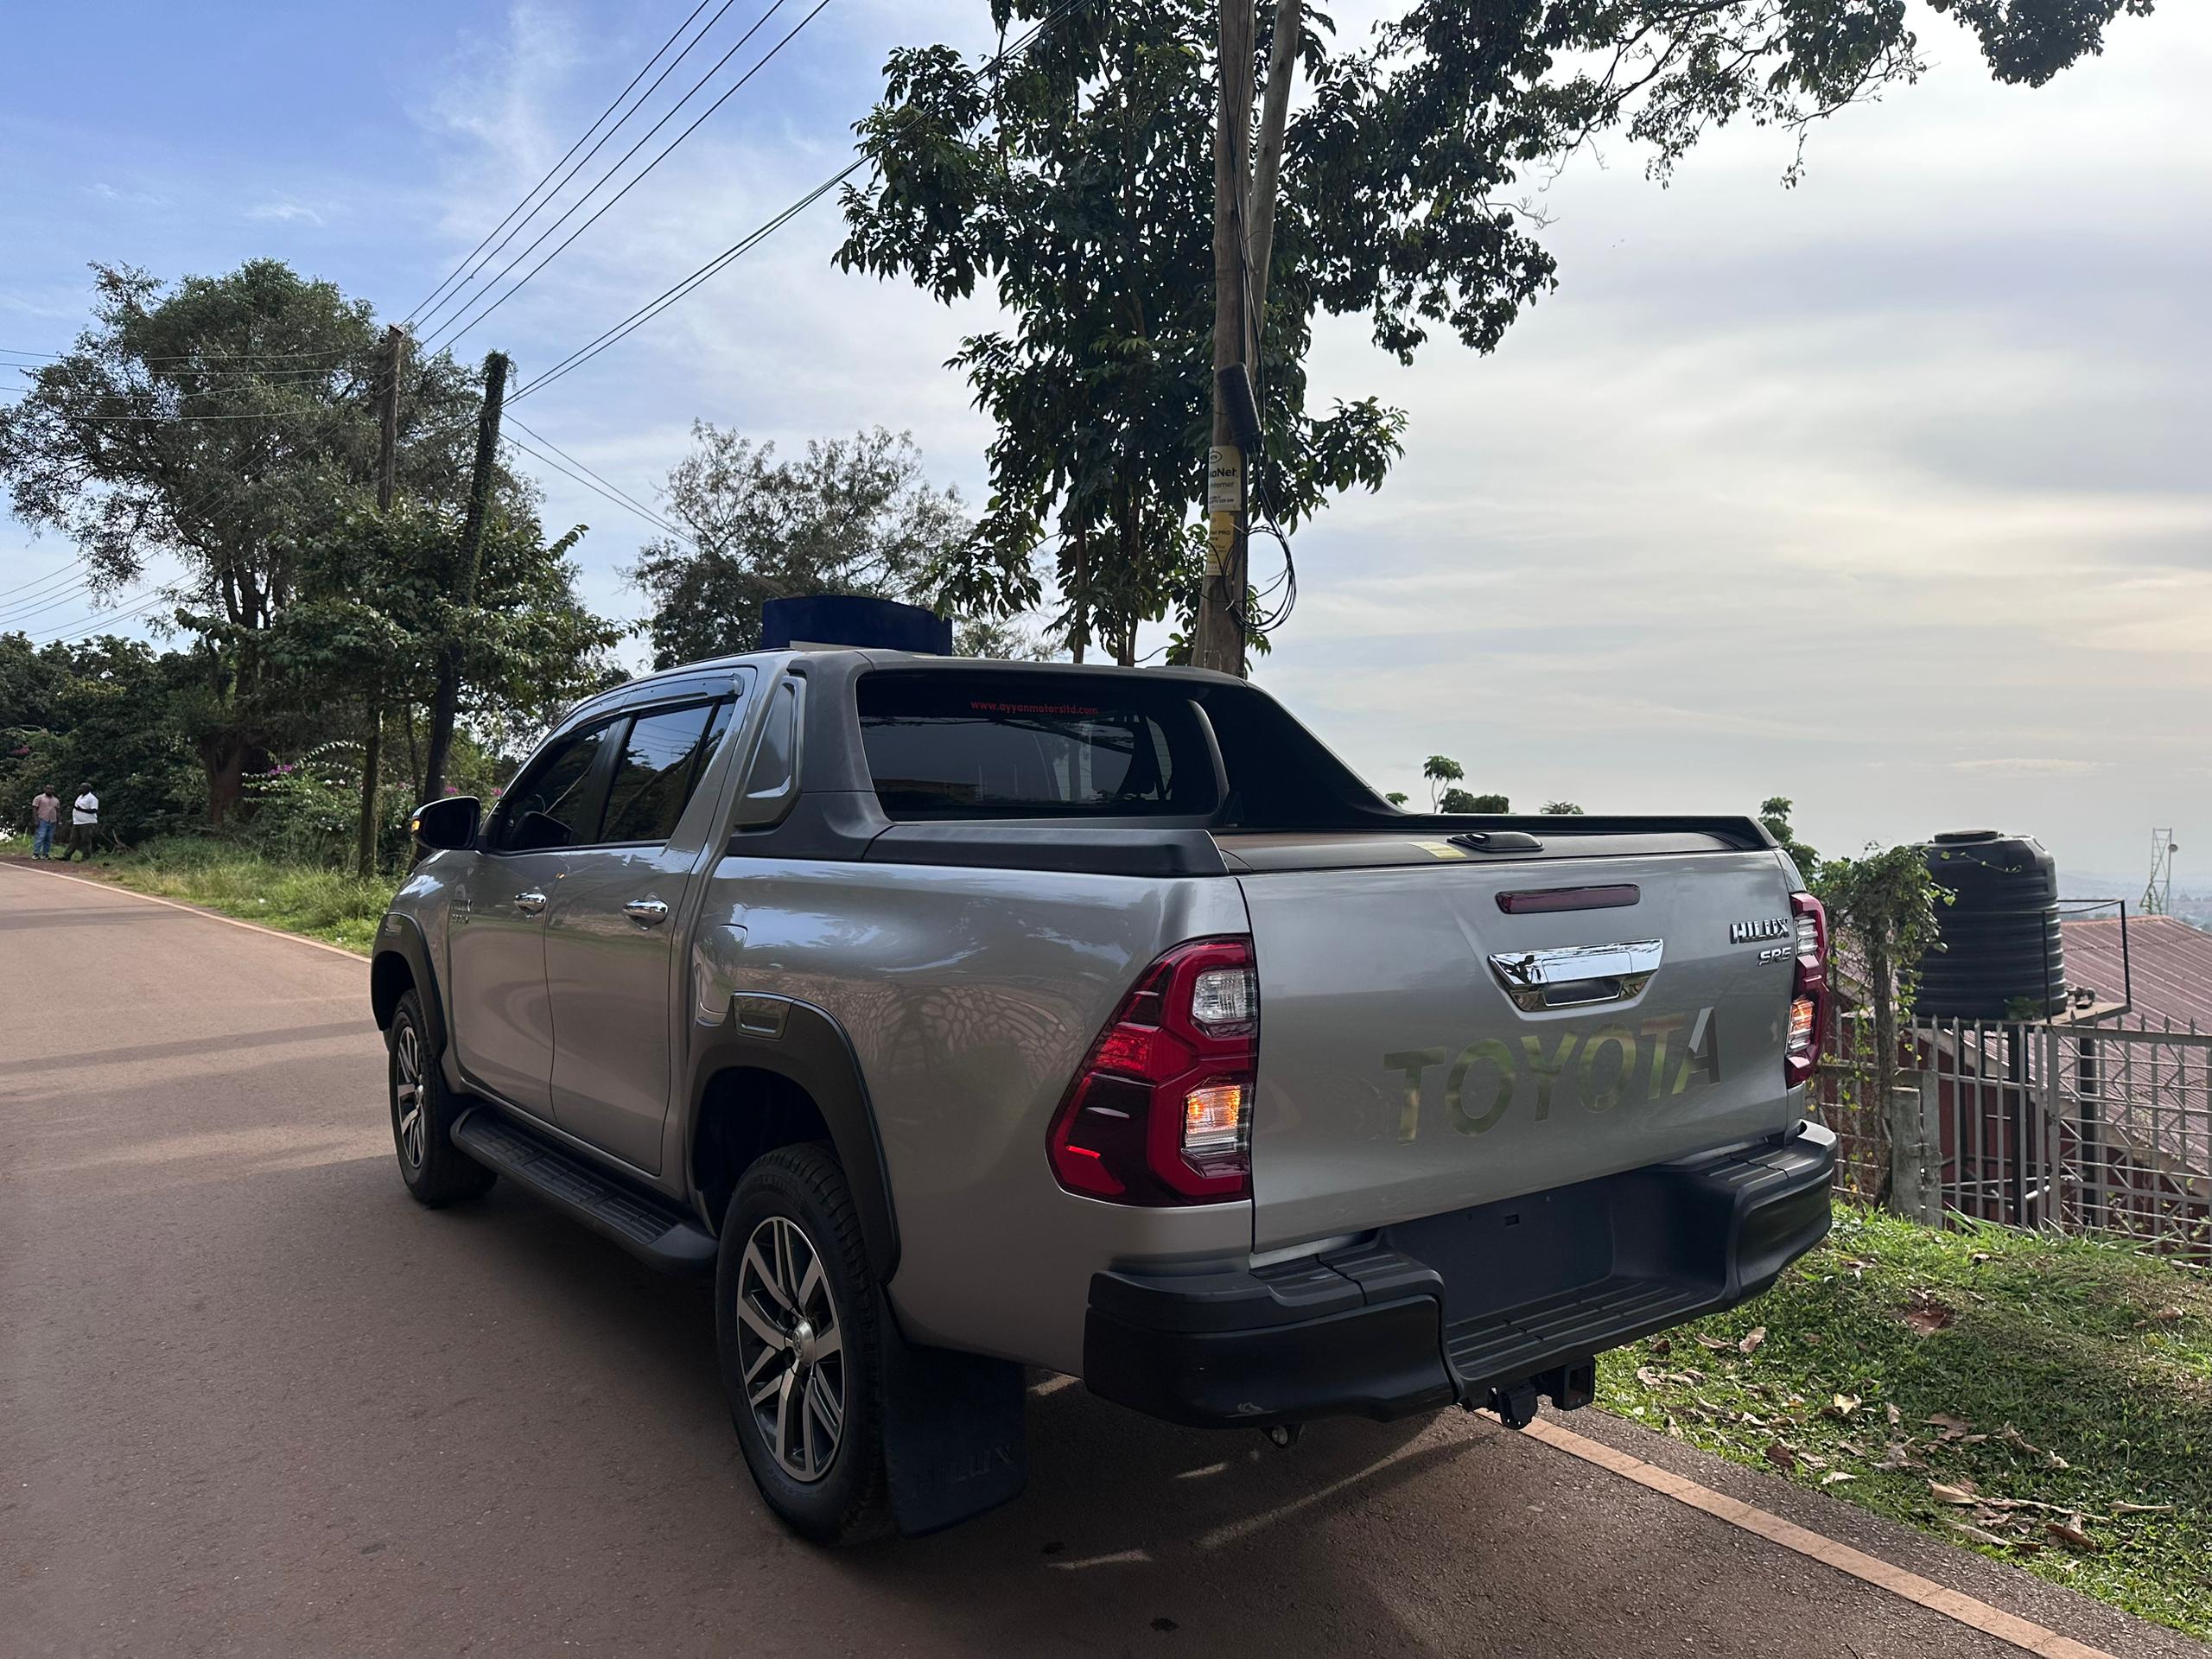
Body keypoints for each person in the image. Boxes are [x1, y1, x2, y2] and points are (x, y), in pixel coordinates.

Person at [64, 781, 99, 861]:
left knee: (85, 840)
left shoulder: (92, 798)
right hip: (77, 822)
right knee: (73, 839)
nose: (80, 789)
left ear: (87, 789)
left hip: (87, 822)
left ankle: (85, 858)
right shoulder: (80, 797)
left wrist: (81, 810)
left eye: (82, 788)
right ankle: (67, 856)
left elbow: (94, 810)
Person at [29, 786, 60, 859]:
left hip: (52, 820)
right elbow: (34, 809)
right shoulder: (39, 798)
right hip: (42, 819)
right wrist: (36, 820)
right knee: (40, 836)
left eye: (52, 789)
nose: (50, 791)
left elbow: (58, 811)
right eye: (48, 789)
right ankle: (36, 853)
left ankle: (45, 854)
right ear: (44, 789)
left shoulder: (56, 800)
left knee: (49, 838)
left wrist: (59, 821)